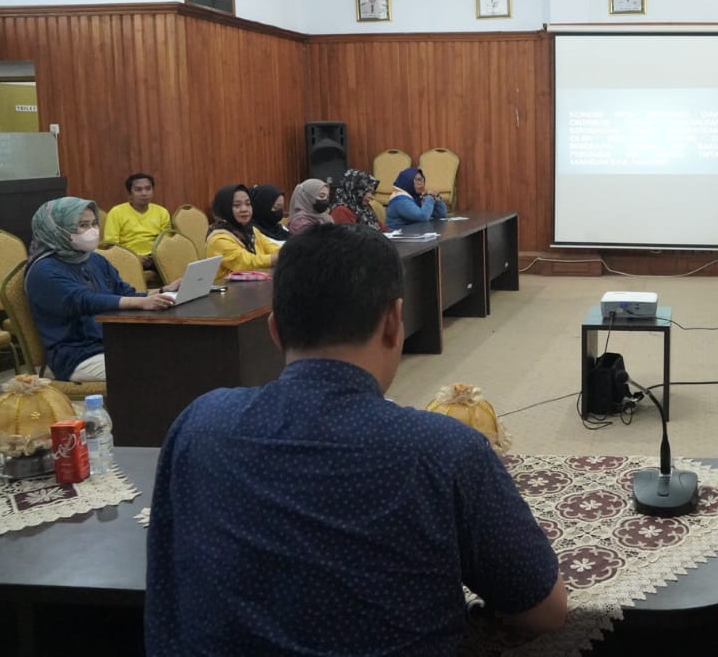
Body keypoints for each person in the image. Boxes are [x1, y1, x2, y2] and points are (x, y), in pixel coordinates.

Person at [145, 224, 567, 653]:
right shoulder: (444, 450)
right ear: (393, 322)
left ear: (274, 330)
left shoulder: (200, 425)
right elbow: (544, 611)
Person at [25, 197, 178, 382]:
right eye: (83, 225)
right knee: (157, 369)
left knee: (174, 354)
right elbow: (85, 300)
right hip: (77, 355)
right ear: (56, 230)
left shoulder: (93, 259)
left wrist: (163, 291)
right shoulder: (43, 271)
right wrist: (142, 302)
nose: (92, 231)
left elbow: (125, 293)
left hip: (112, 342)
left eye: (94, 224)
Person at [205, 184, 282, 282]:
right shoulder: (218, 239)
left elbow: (272, 248)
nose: (244, 209)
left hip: (253, 286)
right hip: (228, 293)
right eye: (237, 205)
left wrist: (288, 253)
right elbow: (247, 264)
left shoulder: (250, 230)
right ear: (225, 208)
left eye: (248, 204)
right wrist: (281, 256)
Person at [102, 172, 171, 271]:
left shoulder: (162, 212)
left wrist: (154, 256)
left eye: (148, 189)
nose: (144, 193)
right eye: (138, 190)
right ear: (130, 193)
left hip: (155, 257)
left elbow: (166, 240)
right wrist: (135, 257)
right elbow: (111, 244)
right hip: (127, 256)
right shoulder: (116, 212)